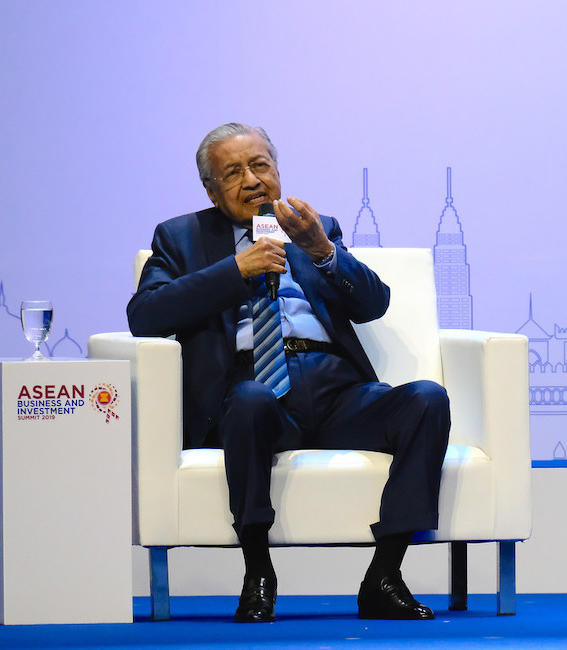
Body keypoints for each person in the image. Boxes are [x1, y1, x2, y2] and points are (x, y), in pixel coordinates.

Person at [127, 122, 450, 623]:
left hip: (337, 387)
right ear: (211, 191)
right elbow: (144, 314)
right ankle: (259, 572)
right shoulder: (181, 237)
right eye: (233, 172)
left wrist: (323, 251)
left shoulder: (312, 227)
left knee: (427, 398)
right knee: (252, 399)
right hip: (251, 388)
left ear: (278, 170)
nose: (252, 180)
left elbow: (372, 304)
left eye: (260, 165)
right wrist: (238, 269)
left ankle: (384, 575)